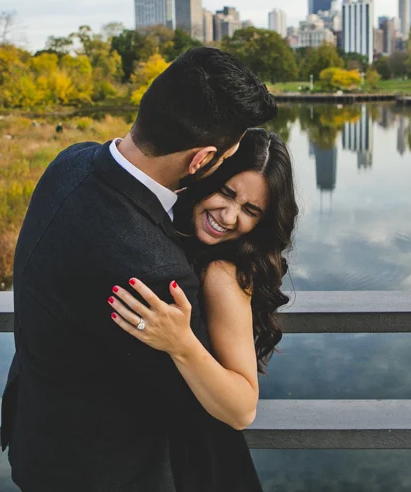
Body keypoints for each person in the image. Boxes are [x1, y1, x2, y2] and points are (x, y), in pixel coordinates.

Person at [1, 47, 278, 492]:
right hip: (107, 474)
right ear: (201, 160)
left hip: (39, 445)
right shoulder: (153, 273)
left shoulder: (69, 162)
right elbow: (226, 409)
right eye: (225, 160)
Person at [109, 129, 297, 492]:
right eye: (227, 192)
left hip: (200, 463)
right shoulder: (173, 230)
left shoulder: (222, 274)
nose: (228, 216)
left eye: (250, 211)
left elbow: (243, 409)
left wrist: (181, 343)